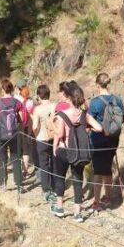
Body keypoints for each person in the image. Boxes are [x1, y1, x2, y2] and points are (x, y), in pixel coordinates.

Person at [52, 84, 103, 222]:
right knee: (78, 180)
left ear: (69, 98)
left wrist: (52, 125)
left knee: (60, 178)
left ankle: (59, 208)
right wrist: (87, 128)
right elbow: (99, 128)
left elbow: (60, 134)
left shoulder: (62, 115)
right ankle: (78, 214)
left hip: (63, 150)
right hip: (79, 152)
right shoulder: (85, 115)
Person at [88, 73, 124, 211]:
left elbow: (89, 120)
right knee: (107, 167)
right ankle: (108, 197)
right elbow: (123, 119)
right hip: (113, 139)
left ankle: (96, 202)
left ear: (97, 84)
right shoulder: (118, 99)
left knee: (98, 170)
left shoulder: (95, 102)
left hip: (98, 140)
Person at [0, 79, 29, 189]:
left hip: (1, 134)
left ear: (2, 89)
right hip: (14, 134)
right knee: (16, 158)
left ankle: (3, 182)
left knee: (2, 159)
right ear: (12, 89)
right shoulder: (17, 103)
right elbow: (21, 120)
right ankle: (19, 183)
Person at [31, 84, 58, 204]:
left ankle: (46, 190)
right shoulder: (55, 106)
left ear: (39, 96)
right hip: (54, 138)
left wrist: (35, 134)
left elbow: (35, 126)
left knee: (44, 165)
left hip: (41, 139)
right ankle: (56, 188)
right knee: (54, 163)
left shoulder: (38, 109)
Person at [15, 79, 35, 178]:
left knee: (16, 149)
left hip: (16, 127)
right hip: (27, 127)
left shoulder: (15, 99)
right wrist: (30, 131)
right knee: (26, 150)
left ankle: (17, 170)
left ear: (18, 89)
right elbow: (32, 117)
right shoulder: (30, 101)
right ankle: (25, 171)